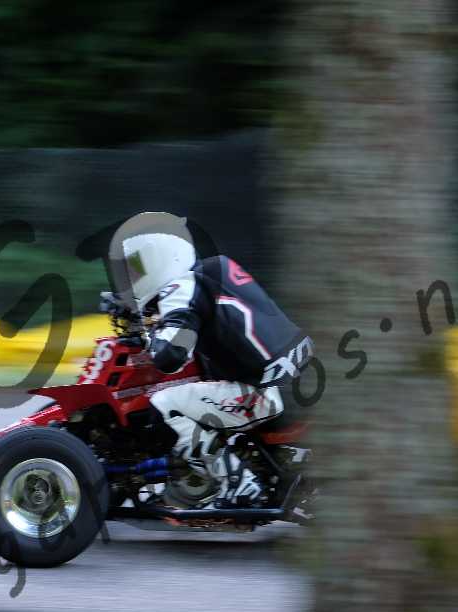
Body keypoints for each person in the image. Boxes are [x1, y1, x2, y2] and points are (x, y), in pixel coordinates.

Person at [118, 212, 313, 508]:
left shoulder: (180, 288)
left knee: (165, 404)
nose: (131, 279)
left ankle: (238, 484)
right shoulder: (214, 270)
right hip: (298, 376)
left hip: (269, 391)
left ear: (157, 257)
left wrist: (149, 337)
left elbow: (171, 356)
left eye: (135, 269)